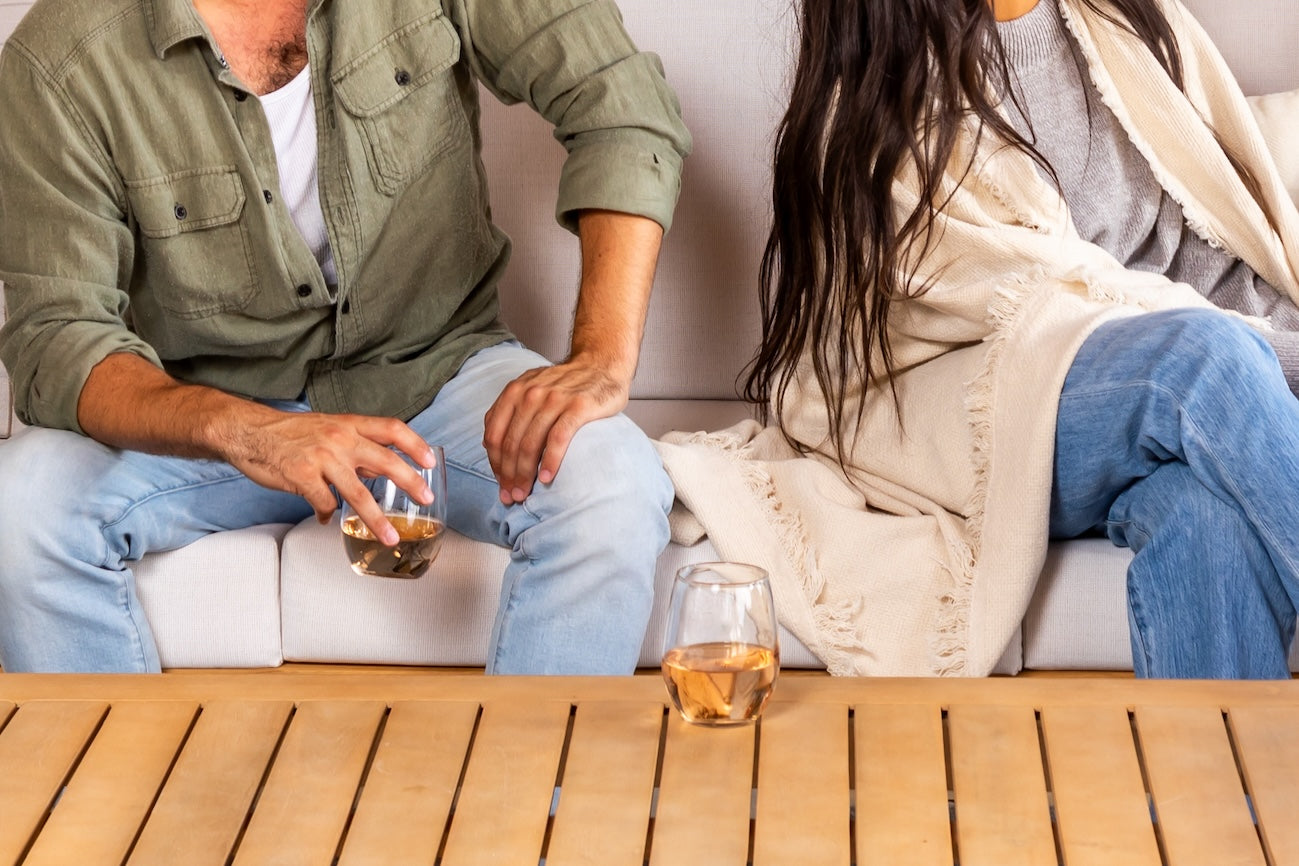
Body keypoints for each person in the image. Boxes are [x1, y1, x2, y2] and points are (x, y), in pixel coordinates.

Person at [0, 0, 692, 674]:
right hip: (202, 418)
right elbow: (58, 335)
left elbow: (621, 107)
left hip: (431, 373)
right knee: (21, 517)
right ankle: (114, 792)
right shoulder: (58, 58)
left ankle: (532, 793)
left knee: (610, 487)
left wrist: (602, 354)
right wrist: (246, 432)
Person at [656, 0, 1299, 677]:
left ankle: (1224, 788)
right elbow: (1046, 308)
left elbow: (1208, 250)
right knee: (1198, 359)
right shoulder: (886, 80)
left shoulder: (1123, 27)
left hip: (1153, 407)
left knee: (1205, 522)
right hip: (974, 422)